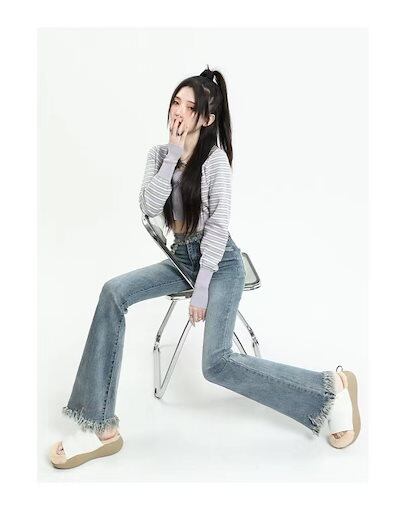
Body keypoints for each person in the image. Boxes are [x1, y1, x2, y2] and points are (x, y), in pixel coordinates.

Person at [49, 66, 361, 469]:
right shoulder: (158, 155)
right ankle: (99, 426)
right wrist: (172, 156)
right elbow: (148, 207)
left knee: (216, 364)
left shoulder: (216, 163)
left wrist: (202, 288)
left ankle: (331, 390)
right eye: (175, 101)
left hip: (221, 264)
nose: (178, 111)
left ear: (207, 118)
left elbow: (218, 227)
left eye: (189, 106)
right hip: (181, 259)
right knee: (113, 291)